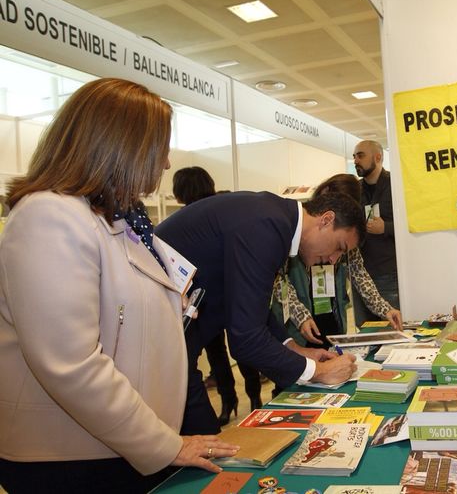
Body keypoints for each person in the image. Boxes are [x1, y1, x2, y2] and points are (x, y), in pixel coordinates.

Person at [0, 78, 238, 493]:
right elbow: (71, 365)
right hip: (73, 460)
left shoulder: (118, 220)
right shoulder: (49, 217)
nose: (165, 164)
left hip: (117, 447)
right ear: (122, 144)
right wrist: (162, 444)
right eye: (160, 147)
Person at [155, 190, 363, 435]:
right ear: (326, 220)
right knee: (204, 448)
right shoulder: (267, 227)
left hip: (174, 339)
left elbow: (252, 305)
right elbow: (245, 340)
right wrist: (318, 372)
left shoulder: (275, 219)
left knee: (204, 445)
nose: (333, 260)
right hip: (158, 340)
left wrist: (293, 348)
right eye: (339, 247)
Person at [172, 167, 263, 426]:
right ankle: (252, 399)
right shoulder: (220, 212)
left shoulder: (186, 220)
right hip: (226, 295)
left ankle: (229, 400)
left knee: (218, 354)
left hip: (201, 300)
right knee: (239, 349)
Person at [272, 174, 403, 349]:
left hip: (332, 315)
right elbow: (280, 283)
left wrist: (385, 308)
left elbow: (360, 276)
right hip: (299, 326)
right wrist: (301, 315)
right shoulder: (296, 232)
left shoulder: (347, 235)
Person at [352, 140, 400, 327]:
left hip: (388, 274)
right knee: (364, 332)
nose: (356, 160)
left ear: (378, 157)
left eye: (361, 155)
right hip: (361, 275)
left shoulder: (395, 186)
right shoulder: (354, 191)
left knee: (391, 328)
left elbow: (409, 228)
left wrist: (385, 228)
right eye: (354, 156)